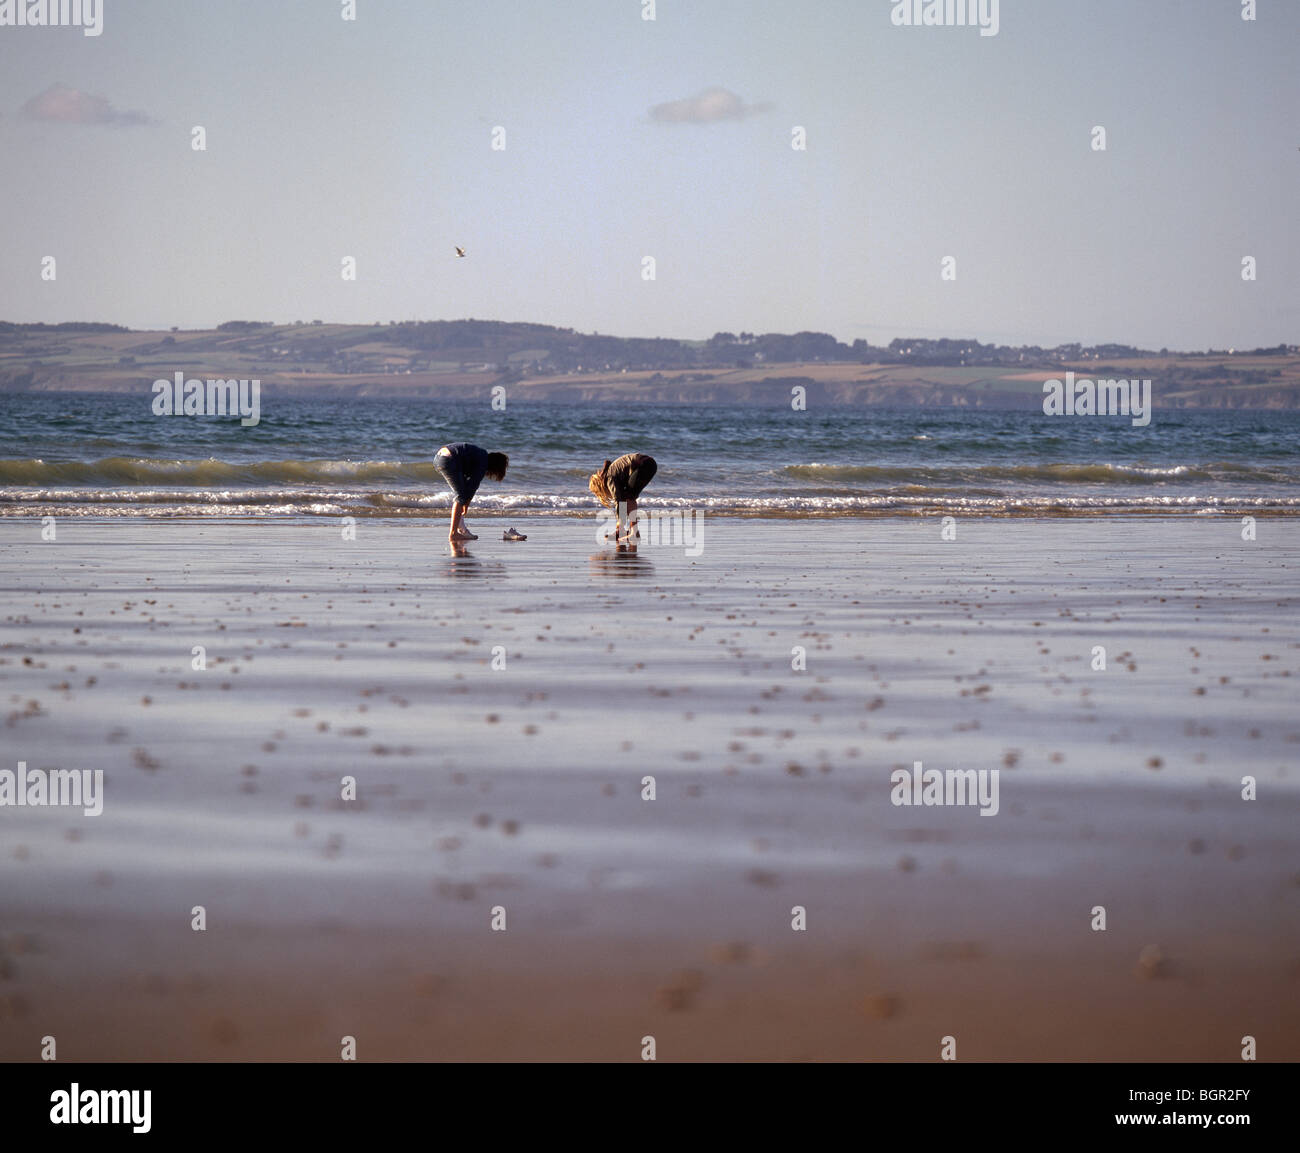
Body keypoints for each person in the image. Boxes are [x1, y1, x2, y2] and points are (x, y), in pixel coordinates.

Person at [434, 442, 508, 541]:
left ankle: (462, 530)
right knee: (460, 496)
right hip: (449, 459)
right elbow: (473, 485)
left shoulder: (480, 455)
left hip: (438, 458)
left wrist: (465, 502)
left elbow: (469, 485)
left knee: (462, 493)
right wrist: (466, 506)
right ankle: (453, 533)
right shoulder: (483, 461)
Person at [589, 453, 657, 543]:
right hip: (649, 463)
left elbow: (618, 500)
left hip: (643, 465)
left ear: (600, 487)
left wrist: (619, 523)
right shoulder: (613, 473)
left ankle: (632, 533)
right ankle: (624, 532)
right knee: (628, 496)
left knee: (629, 498)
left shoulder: (610, 478)